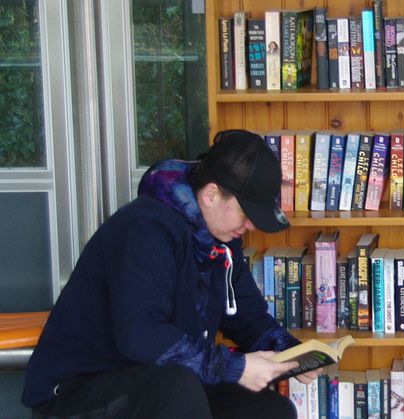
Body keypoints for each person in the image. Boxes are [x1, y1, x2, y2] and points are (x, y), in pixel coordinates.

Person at [23, 130, 319, 418]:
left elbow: (246, 315)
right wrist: (234, 368)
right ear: (212, 194)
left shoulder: (220, 239)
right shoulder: (144, 230)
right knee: (177, 389)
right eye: (246, 214)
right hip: (78, 388)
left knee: (269, 410)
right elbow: (142, 335)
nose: (251, 226)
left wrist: (292, 353)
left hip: (154, 380)